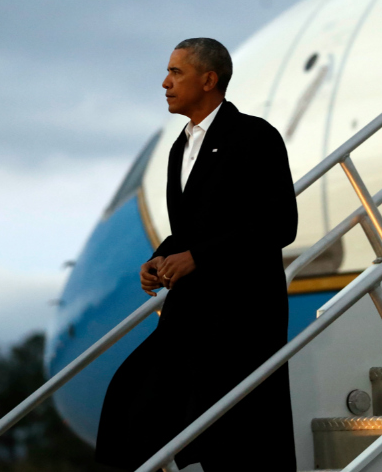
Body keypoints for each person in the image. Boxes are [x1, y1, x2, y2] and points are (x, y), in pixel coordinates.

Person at [95, 38, 298, 472]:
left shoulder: (254, 137)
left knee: (237, 438)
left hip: (241, 315)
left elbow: (280, 225)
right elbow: (192, 229)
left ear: (209, 80)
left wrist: (197, 258)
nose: (165, 83)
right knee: (129, 400)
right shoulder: (179, 149)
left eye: (176, 73)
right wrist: (161, 257)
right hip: (193, 313)